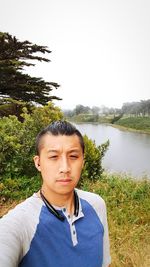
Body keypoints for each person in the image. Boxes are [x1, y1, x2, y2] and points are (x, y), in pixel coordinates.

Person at [0, 120, 111, 267]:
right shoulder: (20, 223)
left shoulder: (96, 205)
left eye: (73, 156)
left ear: (83, 162)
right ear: (38, 163)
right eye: (53, 157)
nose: (65, 168)